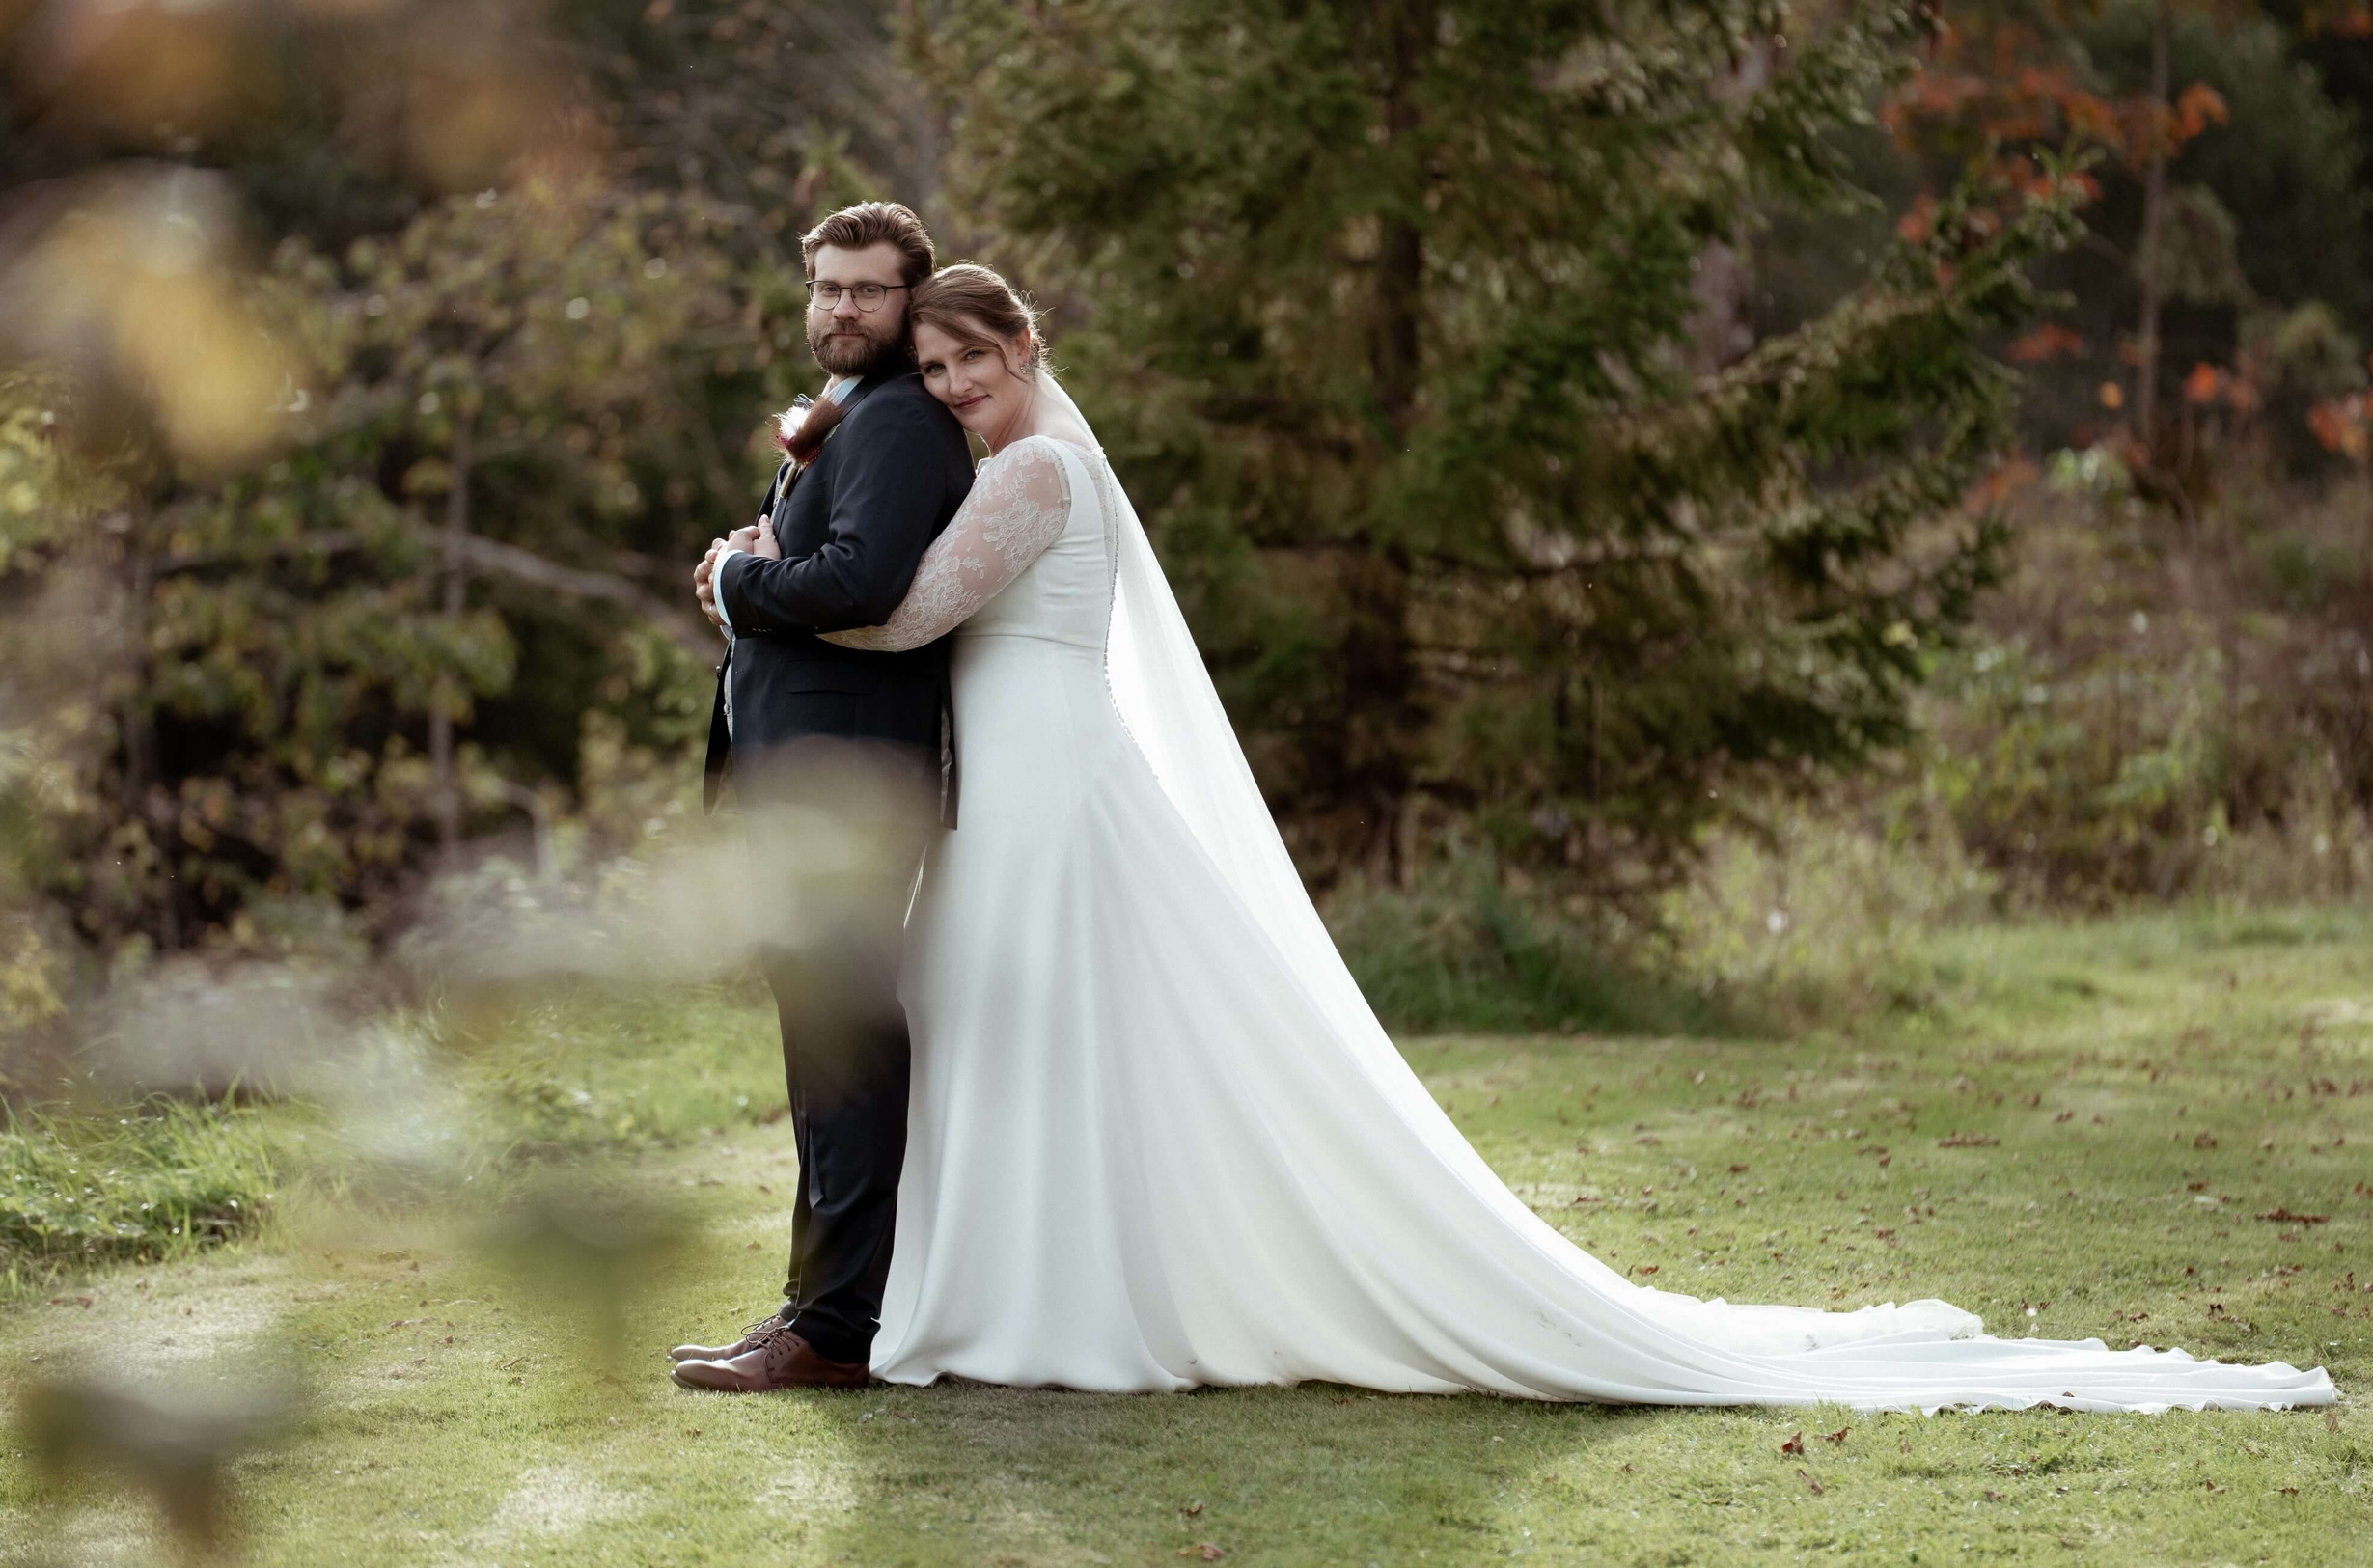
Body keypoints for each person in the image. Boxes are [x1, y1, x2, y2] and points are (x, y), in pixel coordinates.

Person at [685, 260, 2335, 1413]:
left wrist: (746, 573)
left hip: (1046, 785)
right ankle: (997, 1287)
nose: (960, 387)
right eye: (942, 370)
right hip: (1019, 783)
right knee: (1011, 1028)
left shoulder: (1033, 478)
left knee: (1029, 1018)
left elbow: (901, 625)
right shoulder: (1007, 460)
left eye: (977, 363)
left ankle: (1041, 1295)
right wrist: (811, 482)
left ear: (1027, 353)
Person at [671, 204, 975, 1392]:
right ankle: (810, 1303)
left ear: (912, 301)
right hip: (806, 769)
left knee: (843, 1035)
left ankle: (837, 1327)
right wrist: (757, 561)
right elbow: (827, 558)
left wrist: (744, 577)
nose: (842, 307)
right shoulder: (852, 415)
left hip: (848, 777)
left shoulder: (900, 419)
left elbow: (864, 579)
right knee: (817, 1035)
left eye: (869, 290)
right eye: (828, 287)